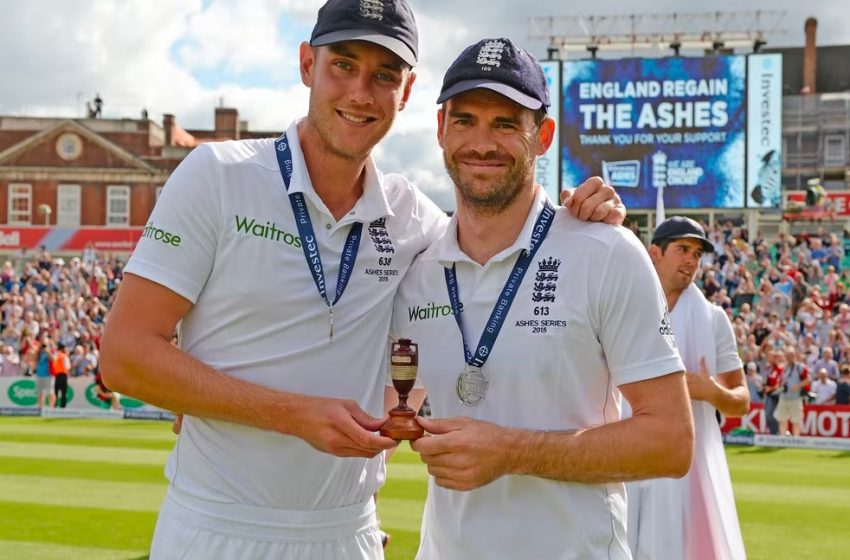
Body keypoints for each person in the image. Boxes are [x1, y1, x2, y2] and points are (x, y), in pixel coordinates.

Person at [100, 3, 624, 558]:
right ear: (307, 64)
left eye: (384, 76)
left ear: (408, 91)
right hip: (215, 525)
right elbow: (125, 355)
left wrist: (577, 213)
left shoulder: (415, 220)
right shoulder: (218, 176)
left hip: (347, 533)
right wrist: (290, 414)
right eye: (343, 65)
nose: (359, 93)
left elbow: (497, 234)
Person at [391, 38, 694, 559]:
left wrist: (511, 451)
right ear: (441, 129)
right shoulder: (414, 268)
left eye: (506, 123)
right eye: (465, 120)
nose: (481, 143)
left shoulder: (606, 250)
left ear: (544, 135)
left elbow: (671, 442)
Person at [626, 216, 750, 560]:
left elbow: (740, 401)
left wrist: (709, 391)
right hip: (625, 452)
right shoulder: (623, 309)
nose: (691, 260)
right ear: (654, 253)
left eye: (697, 253)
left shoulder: (713, 319)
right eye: (682, 249)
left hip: (686, 465)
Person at [775, 347, 810, 436]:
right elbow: (778, 382)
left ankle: (796, 440)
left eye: (791, 355)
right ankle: (783, 439)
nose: (789, 357)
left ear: (795, 356)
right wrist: (781, 384)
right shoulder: (783, 368)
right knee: (782, 419)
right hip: (783, 397)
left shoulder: (800, 367)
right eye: (787, 355)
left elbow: (808, 380)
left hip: (796, 398)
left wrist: (798, 386)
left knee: (796, 420)